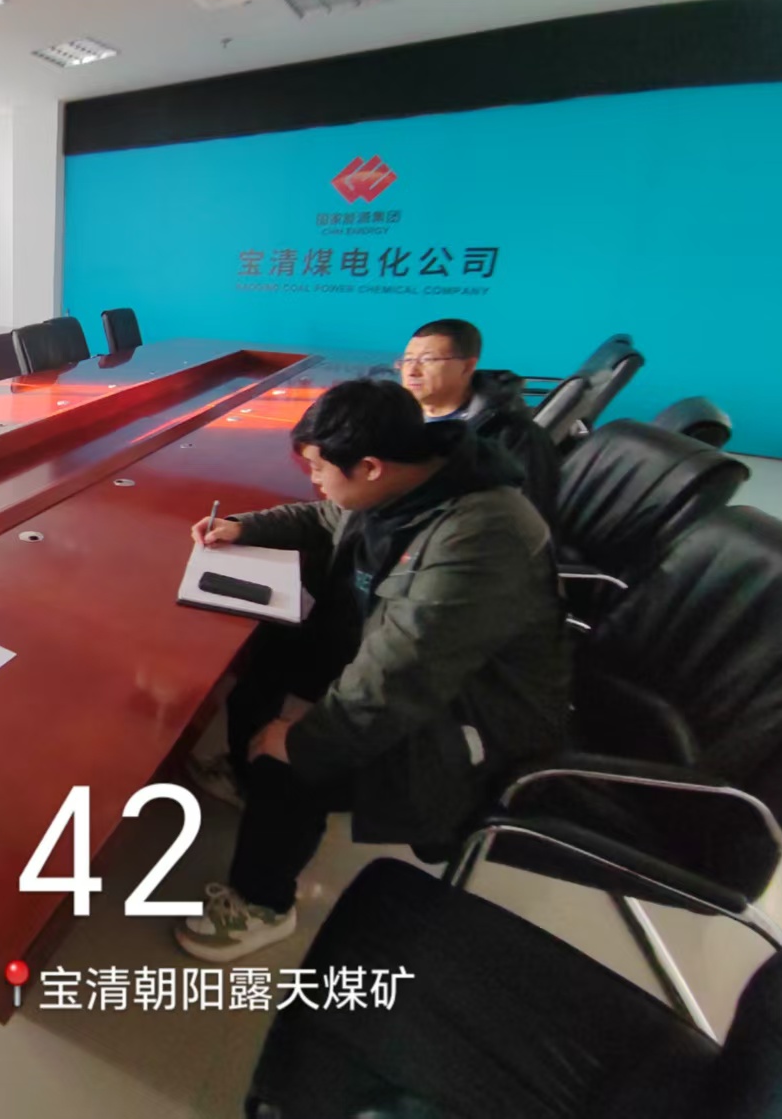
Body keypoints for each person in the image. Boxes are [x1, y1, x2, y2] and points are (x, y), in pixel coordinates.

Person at [177, 379, 569, 962]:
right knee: (270, 660)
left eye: (318, 468)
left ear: (369, 467)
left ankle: (263, 903)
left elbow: (403, 677)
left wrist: (302, 738)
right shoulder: (413, 480)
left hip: (465, 717)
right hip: (402, 663)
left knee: (292, 758)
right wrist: (245, 526)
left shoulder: (481, 536)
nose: (314, 480)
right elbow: (326, 515)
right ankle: (248, 776)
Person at [396, 318, 561, 523]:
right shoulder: (394, 422)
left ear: (468, 366)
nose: (412, 371)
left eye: (428, 360)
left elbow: (529, 516)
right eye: (407, 360)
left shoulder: (514, 434)